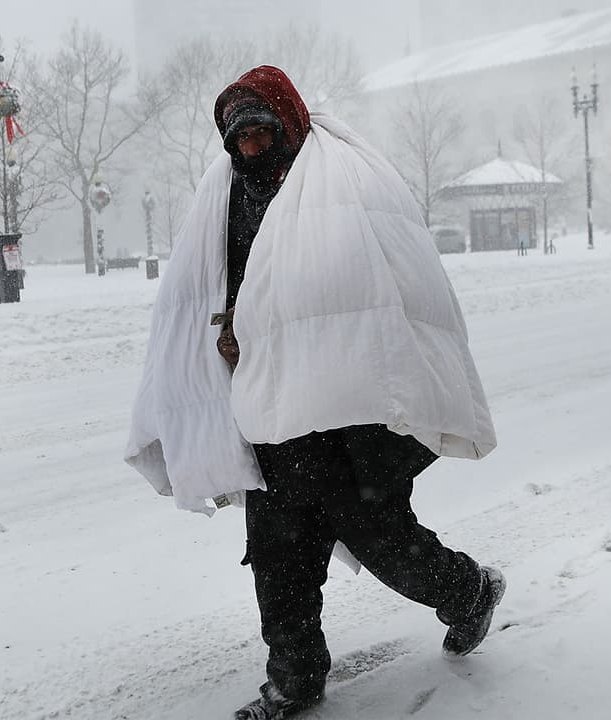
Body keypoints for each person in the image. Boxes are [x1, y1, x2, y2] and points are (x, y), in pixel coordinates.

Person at [125, 66, 502, 720]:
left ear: (289, 124)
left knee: (388, 546)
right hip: (271, 414)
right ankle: (294, 682)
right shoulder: (225, 196)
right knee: (276, 557)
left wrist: (272, 332)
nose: (249, 150)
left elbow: (369, 289)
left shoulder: (345, 180)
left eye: (260, 134)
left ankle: (469, 592)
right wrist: (229, 337)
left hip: (349, 420)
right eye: (237, 139)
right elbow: (208, 288)